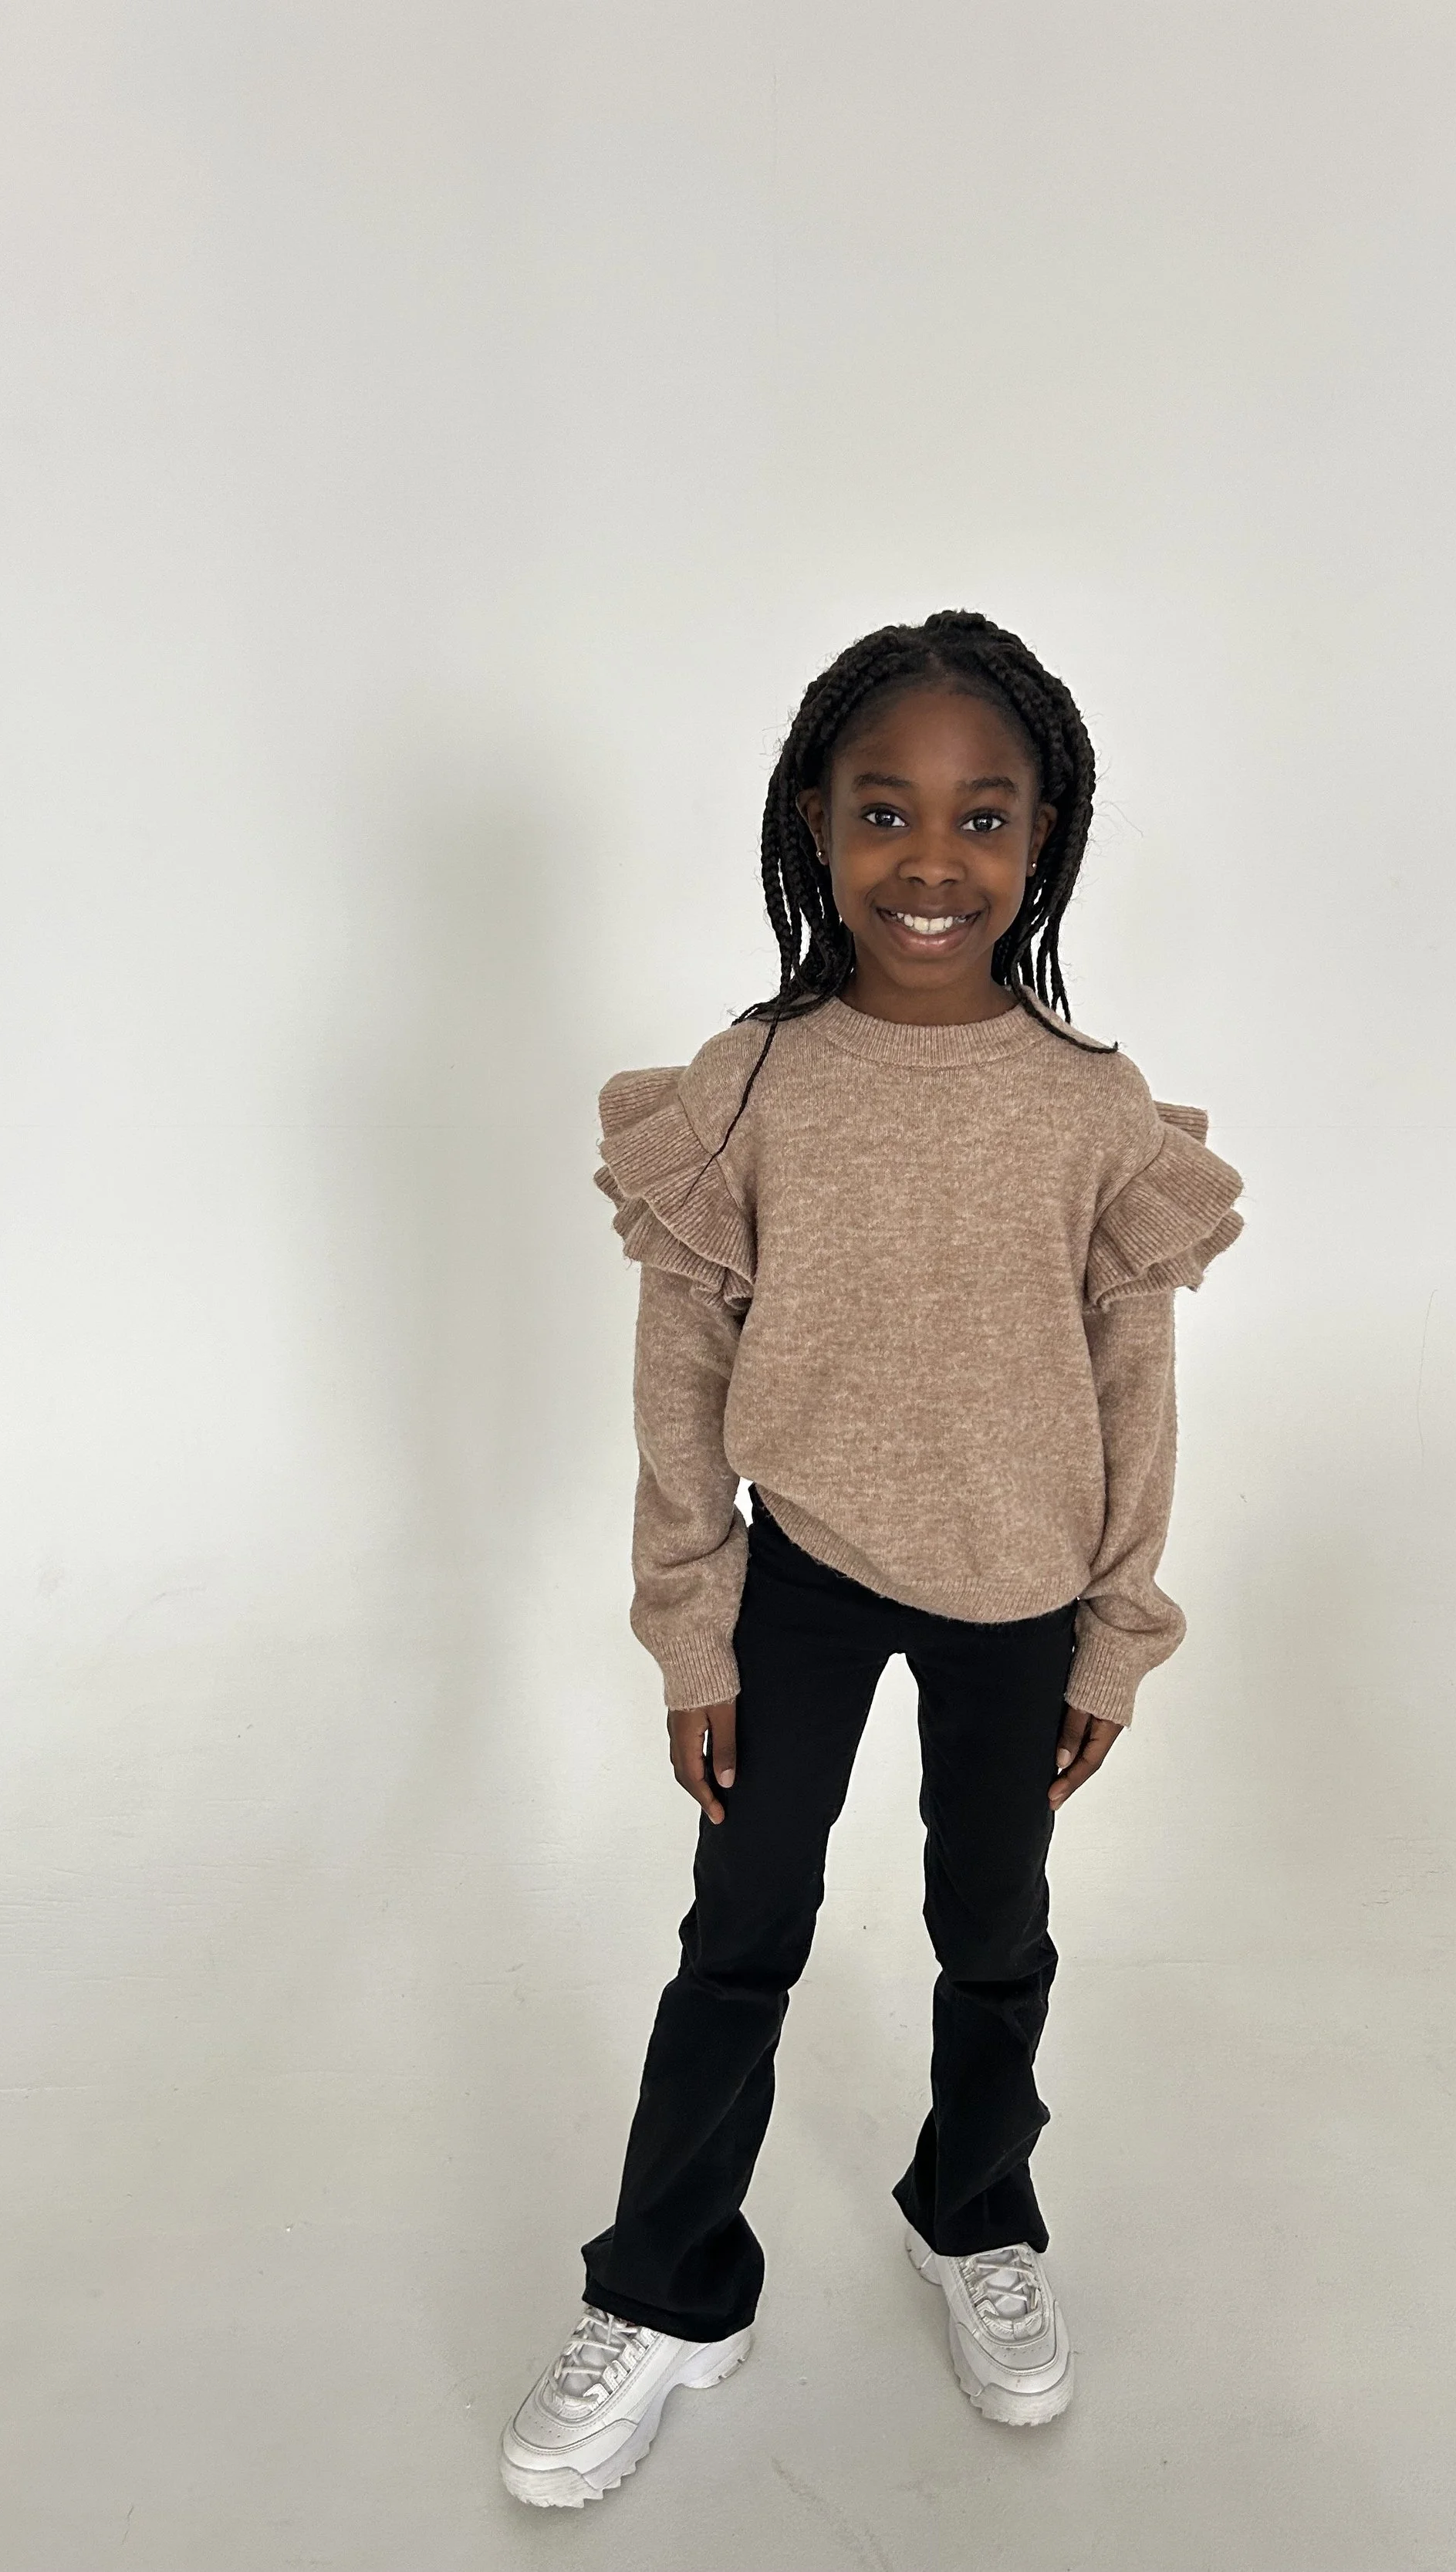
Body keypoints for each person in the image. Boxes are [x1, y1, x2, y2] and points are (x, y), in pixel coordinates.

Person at [500, 610, 1245, 2509]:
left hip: (1019, 1592)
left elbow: (1129, 1381)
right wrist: (692, 1623)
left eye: (980, 818)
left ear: (1044, 836)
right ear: (812, 830)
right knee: (736, 1937)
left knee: (992, 1938)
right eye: (884, 813)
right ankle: (666, 2289)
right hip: (800, 1582)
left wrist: (1111, 1631)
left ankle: (971, 2210)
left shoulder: (1088, 1107)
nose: (932, 861)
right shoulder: (749, 1083)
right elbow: (679, 1368)